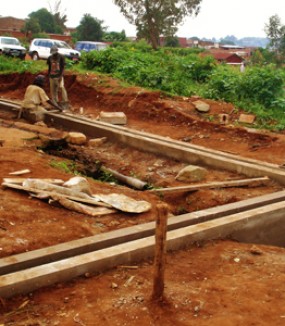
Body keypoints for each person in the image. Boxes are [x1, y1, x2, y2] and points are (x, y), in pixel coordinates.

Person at [47, 45, 69, 110]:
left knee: (62, 87)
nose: (53, 55)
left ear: (57, 51)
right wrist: (49, 75)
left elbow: (63, 67)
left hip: (59, 76)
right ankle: (55, 103)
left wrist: (61, 76)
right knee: (53, 90)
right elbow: (49, 67)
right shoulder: (50, 58)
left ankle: (65, 101)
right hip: (52, 76)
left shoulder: (61, 57)